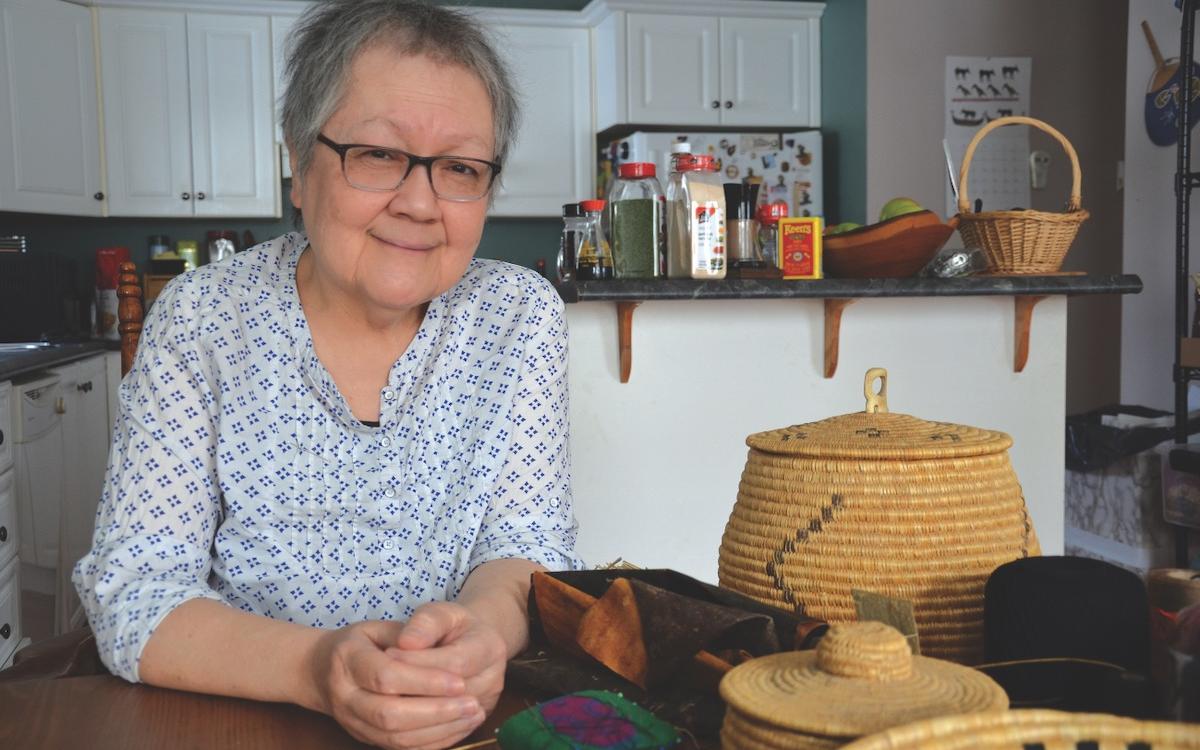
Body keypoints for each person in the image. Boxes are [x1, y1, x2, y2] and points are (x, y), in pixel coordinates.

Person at [72, 2, 581, 748]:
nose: (419, 202)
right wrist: (318, 669)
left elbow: (528, 547)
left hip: (458, 723)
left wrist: (484, 632)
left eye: (461, 167)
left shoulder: (517, 315)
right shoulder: (205, 317)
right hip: (238, 722)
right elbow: (134, 592)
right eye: (377, 154)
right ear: (298, 166)